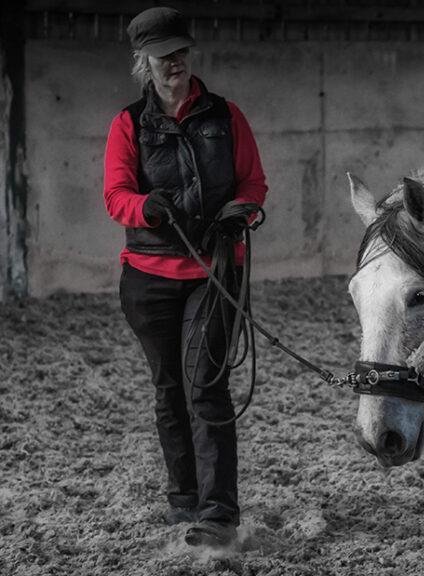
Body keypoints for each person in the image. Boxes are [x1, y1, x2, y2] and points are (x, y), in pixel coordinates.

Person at [102, 7, 267, 548]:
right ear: (143, 62)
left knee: (206, 387)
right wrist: (147, 207)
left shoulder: (226, 116)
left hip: (213, 274)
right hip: (148, 278)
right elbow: (115, 196)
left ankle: (219, 513)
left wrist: (239, 211)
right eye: (162, 56)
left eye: (179, 52)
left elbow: (253, 182)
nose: (173, 62)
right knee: (169, 390)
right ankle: (183, 500)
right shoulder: (129, 124)